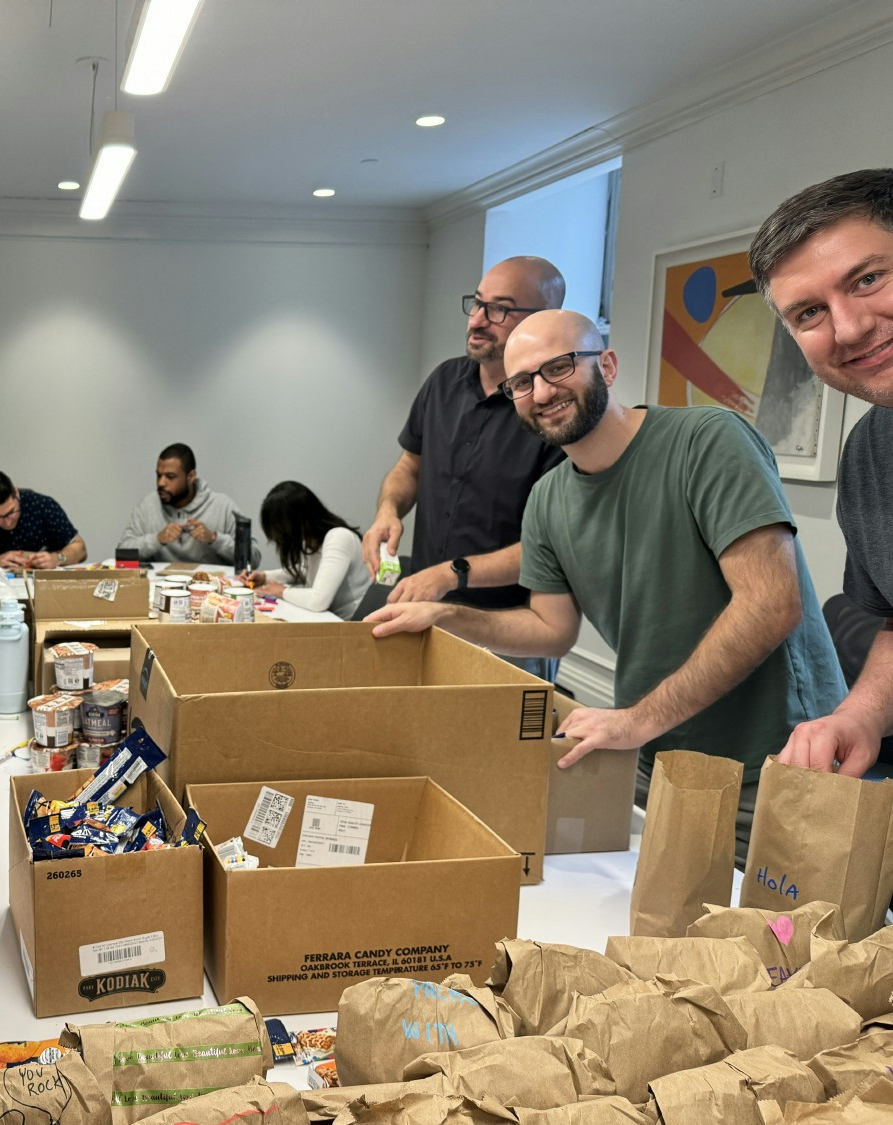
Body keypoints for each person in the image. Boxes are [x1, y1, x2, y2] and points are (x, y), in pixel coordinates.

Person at [368, 309, 844, 862]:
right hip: (655, 762)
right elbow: (550, 631)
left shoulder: (707, 441)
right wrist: (450, 616)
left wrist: (637, 720)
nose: (541, 392)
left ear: (608, 365)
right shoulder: (548, 500)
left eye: (559, 367)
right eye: (522, 382)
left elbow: (771, 603)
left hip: (776, 767)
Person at [360, 257, 568, 679]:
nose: (477, 320)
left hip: (508, 632)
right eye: (476, 303)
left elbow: (555, 546)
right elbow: (409, 467)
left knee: (492, 745)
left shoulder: (556, 409)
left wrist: (451, 575)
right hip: (421, 611)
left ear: (542, 320)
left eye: (500, 309)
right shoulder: (443, 382)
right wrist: (388, 511)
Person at [751, 168, 893, 778]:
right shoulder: (869, 454)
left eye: (868, 278)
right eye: (810, 312)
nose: (850, 328)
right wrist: (861, 713)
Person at [240, 481, 371, 619]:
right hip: (331, 619)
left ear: (296, 522)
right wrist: (265, 576)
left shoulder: (339, 538)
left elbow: (318, 600)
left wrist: (281, 591)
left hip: (353, 625)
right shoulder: (311, 539)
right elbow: (306, 571)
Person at [118, 442, 258, 566]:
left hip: (212, 591)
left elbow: (253, 559)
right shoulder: (147, 506)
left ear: (191, 477)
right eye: (158, 475)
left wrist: (214, 539)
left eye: (170, 477)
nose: (161, 483)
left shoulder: (223, 506)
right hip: (160, 589)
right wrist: (157, 539)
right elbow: (122, 556)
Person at [0, 470, 86, 570]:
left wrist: (57, 558)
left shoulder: (43, 506)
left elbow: (80, 549)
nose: (8, 522)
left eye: (11, 512)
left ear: (16, 493)